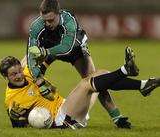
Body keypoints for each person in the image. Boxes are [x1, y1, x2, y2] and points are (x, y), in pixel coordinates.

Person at [0, 47, 160, 128]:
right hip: (61, 121)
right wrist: (32, 121)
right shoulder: (13, 99)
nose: (19, 75)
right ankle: (125, 70)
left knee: (100, 74)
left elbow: (46, 57)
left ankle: (142, 87)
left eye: (19, 70)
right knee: (86, 83)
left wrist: (50, 49)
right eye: (14, 74)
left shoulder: (29, 72)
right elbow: (17, 124)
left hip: (68, 107)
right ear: (6, 77)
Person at [26, 0, 128, 128]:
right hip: (49, 51)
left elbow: (66, 48)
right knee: (28, 71)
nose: (47, 24)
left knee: (94, 81)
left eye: (51, 20)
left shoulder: (69, 19)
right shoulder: (36, 26)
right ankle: (25, 112)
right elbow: (30, 55)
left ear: (59, 13)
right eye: (44, 20)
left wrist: (44, 51)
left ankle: (116, 117)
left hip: (75, 51)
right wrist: (38, 79)